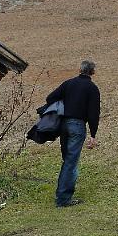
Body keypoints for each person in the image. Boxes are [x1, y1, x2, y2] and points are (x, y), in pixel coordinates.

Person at [46, 59, 101, 207]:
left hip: (63, 125)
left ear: (80, 69)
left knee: (67, 161)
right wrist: (93, 134)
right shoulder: (92, 88)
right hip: (77, 127)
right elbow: (93, 114)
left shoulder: (68, 84)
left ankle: (62, 194)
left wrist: (63, 107)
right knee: (71, 162)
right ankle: (63, 199)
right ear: (93, 72)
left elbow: (50, 98)